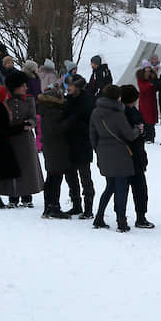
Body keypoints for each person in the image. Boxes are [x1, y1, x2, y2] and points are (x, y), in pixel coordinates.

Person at [89, 84, 141, 232]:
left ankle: (99, 217)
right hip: (120, 155)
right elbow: (129, 135)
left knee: (109, 187)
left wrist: (98, 151)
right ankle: (121, 222)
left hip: (103, 153)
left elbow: (92, 136)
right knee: (121, 189)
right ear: (118, 97)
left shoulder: (95, 112)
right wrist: (138, 129)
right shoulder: (118, 114)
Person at [0, 71, 44, 208]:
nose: (25, 88)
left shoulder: (29, 99)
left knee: (27, 167)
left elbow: (34, 117)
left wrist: (30, 123)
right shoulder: (4, 100)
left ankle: (27, 195)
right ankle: (13, 196)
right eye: (22, 85)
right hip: (10, 137)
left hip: (25, 138)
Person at [37, 83, 73, 219]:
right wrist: (69, 121)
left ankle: (49, 206)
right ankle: (53, 206)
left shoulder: (45, 110)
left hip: (51, 147)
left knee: (52, 177)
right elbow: (57, 129)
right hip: (56, 148)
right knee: (55, 177)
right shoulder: (53, 112)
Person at [120, 84, 154, 229]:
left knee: (124, 189)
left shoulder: (123, 112)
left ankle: (123, 216)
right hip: (133, 155)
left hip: (129, 156)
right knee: (139, 189)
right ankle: (139, 216)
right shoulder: (129, 114)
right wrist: (140, 131)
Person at [63, 74, 95, 218]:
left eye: (70, 85)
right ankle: (76, 205)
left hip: (83, 143)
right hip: (69, 143)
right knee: (70, 176)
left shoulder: (87, 100)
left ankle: (88, 208)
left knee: (85, 177)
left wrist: (72, 121)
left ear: (77, 87)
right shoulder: (68, 99)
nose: (67, 88)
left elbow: (89, 122)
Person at [136, 61, 158, 144]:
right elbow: (142, 88)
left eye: (149, 68)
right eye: (146, 68)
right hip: (145, 101)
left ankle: (151, 136)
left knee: (151, 120)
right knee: (145, 119)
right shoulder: (141, 78)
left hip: (152, 101)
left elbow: (155, 88)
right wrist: (150, 84)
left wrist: (154, 83)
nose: (148, 69)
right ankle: (146, 136)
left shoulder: (153, 76)